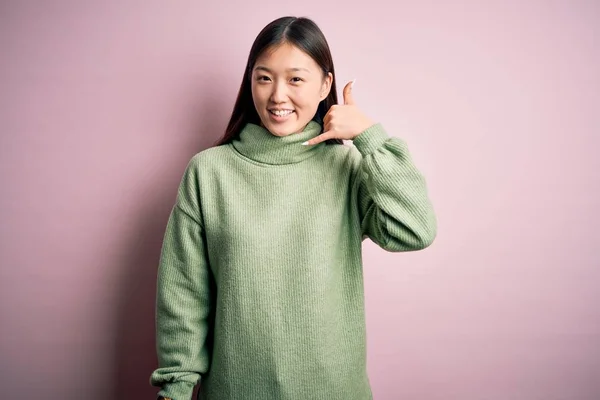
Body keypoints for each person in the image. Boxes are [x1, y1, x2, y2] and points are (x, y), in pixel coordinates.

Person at [149, 15, 437, 400]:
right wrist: (175, 388)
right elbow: (183, 291)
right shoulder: (209, 172)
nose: (277, 96)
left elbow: (415, 229)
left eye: (296, 79)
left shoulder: (348, 167)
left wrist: (370, 136)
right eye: (264, 78)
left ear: (326, 86)